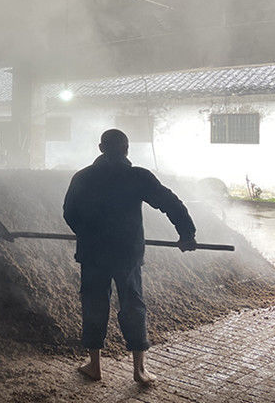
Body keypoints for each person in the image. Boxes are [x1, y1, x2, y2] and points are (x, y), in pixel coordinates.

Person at [63, 129, 197, 384]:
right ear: (127, 149)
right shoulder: (137, 177)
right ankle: (139, 370)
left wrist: (88, 233)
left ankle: (94, 366)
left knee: (94, 305)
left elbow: (69, 213)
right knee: (133, 305)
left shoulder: (83, 177)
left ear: (100, 148)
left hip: (93, 254)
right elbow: (170, 203)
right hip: (127, 254)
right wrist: (187, 233)